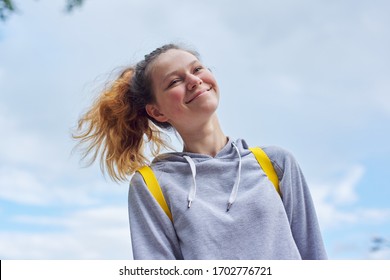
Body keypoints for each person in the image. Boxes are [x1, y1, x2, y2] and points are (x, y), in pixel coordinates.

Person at [73, 43, 328, 260]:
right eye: (175, 81)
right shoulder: (153, 186)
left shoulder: (275, 164)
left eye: (197, 69)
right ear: (157, 111)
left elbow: (314, 258)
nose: (194, 80)